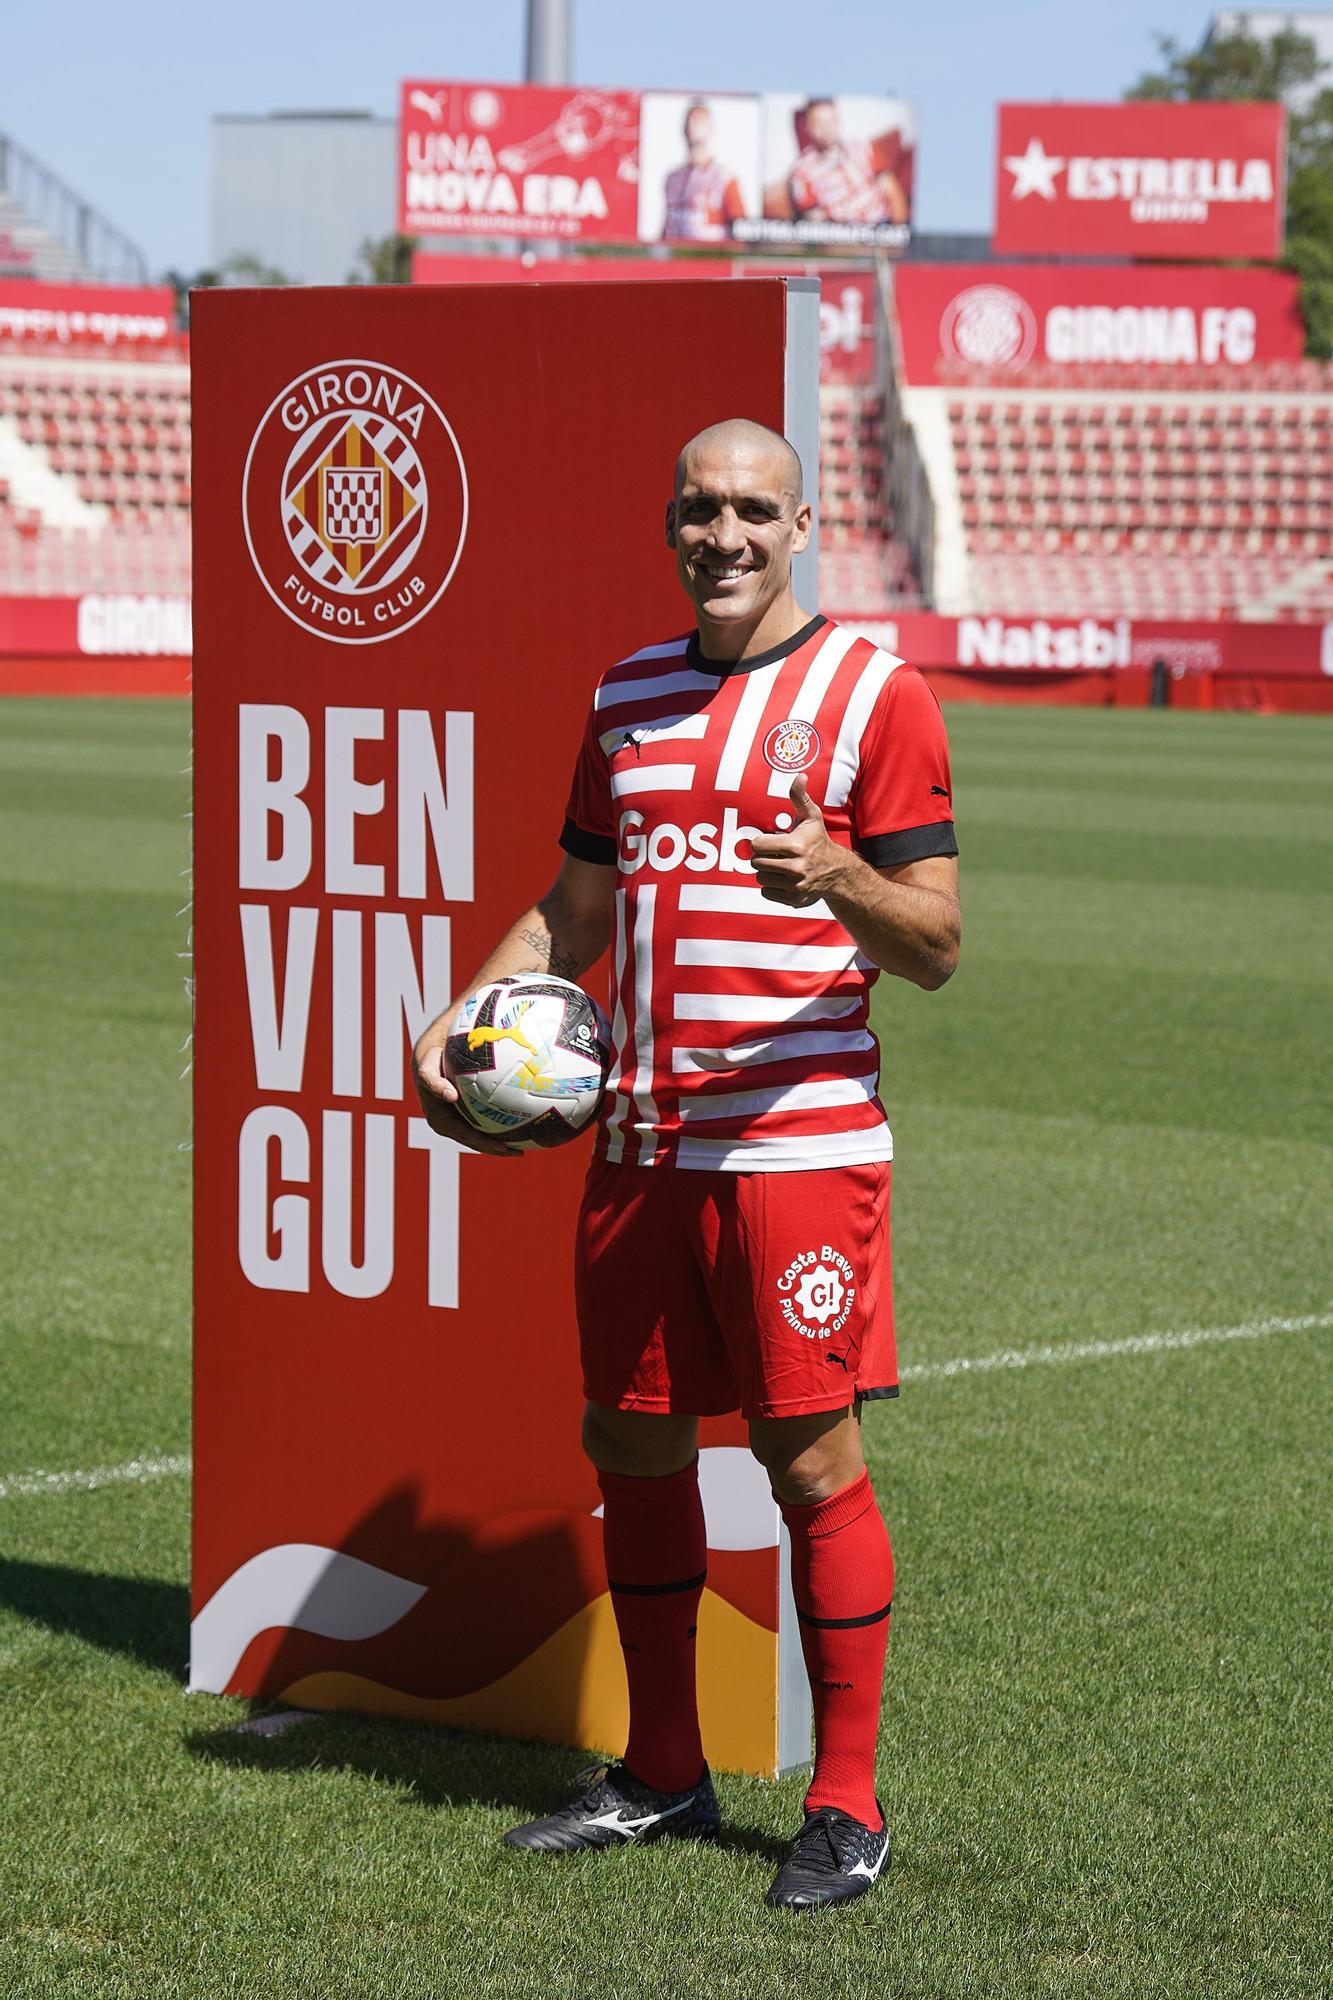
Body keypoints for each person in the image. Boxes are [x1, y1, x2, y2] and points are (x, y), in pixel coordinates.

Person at [412, 418, 960, 1913]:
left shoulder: (876, 695)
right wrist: (463, 1014)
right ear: (671, 523)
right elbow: (573, 911)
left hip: (794, 1149)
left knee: (810, 1462)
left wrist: (839, 875)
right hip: (642, 1148)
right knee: (635, 1446)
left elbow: (939, 946)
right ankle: (662, 1769)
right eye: (699, 510)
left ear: (800, 528)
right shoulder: (628, 696)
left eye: (752, 511)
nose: (723, 534)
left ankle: (844, 1806)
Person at [787, 98, 911, 227]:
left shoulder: (862, 147)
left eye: (830, 121)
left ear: (838, 120)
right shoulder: (801, 172)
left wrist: (898, 234)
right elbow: (816, 226)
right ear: (808, 126)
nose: (826, 129)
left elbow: (894, 194)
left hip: (884, 226)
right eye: (819, 123)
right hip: (846, 237)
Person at [661, 102, 748, 243]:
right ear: (683, 129)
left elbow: (741, 229)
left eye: (700, 121)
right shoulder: (672, 178)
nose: (694, 125)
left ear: (710, 129)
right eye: (691, 120)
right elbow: (667, 225)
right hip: (677, 258)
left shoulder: (724, 176)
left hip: (709, 259)